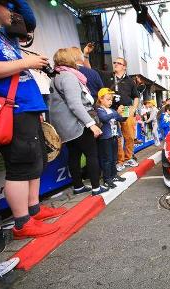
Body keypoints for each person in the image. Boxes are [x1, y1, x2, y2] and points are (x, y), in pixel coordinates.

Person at [0, 0, 65, 239]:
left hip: (27, 107)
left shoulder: (6, 35)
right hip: (12, 109)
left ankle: (33, 210)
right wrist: (28, 62)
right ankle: (22, 223)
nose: (14, 16)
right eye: (8, 8)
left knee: (36, 161)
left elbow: (28, 21)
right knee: (20, 166)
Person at [49, 48, 108, 196]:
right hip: (77, 124)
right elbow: (75, 104)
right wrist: (91, 124)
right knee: (91, 154)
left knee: (73, 156)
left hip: (64, 127)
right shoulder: (68, 76)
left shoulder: (55, 77)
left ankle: (78, 186)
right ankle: (96, 187)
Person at [100, 58, 140, 171]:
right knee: (117, 137)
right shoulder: (108, 77)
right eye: (115, 62)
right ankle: (120, 160)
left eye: (119, 63)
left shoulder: (130, 81)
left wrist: (133, 108)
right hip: (113, 109)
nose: (116, 64)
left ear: (124, 67)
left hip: (127, 109)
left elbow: (136, 96)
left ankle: (128, 158)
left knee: (130, 136)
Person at [96, 88, 127, 188]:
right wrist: (116, 112)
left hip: (113, 137)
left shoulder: (112, 110)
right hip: (105, 139)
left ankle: (114, 175)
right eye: (108, 99)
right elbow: (104, 118)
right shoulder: (99, 110)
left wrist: (125, 111)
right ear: (101, 99)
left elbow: (121, 119)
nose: (110, 101)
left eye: (111, 100)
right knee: (107, 159)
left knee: (114, 158)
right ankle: (107, 179)